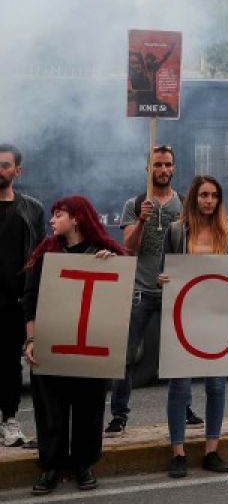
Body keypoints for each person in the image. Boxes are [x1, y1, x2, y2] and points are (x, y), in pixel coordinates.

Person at [22, 196, 126, 495]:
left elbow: (118, 295)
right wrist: (31, 339)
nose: (52, 220)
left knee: (88, 407)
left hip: (89, 347)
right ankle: (50, 467)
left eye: (58, 215)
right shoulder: (45, 255)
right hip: (53, 342)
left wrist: (112, 265)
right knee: (50, 409)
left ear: (77, 218)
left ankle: (83, 465)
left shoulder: (103, 254)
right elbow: (29, 301)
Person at [158, 176, 228, 477]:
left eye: (214, 196)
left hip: (219, 315)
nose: (209, 201)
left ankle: (211, 451)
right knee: (180, 386)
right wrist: (162, 280)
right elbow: (166, 271)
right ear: (194, 198)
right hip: (185, 316)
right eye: (203, 195)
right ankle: (178, 453)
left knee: (217, 386)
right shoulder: (177, 231)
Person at [108, 145, 202, 435]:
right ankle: (119, 415)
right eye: (157, 165)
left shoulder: (186, 204)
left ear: (174, 168)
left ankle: (184, 408)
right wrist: (141, 220)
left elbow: (196, 246)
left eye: (167, 165)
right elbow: (128, 247)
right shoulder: (134, 204)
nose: (162, 170)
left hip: (174, 292)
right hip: (140, 291)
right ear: (148, 169)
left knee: (179, 356)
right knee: (126, 356)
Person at [0, 143, 41, 449]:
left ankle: (9, 420)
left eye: (4, 165)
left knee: (10, 365)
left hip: (14, 303)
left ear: (17, 171)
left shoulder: (32, 209)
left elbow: (43, 256)